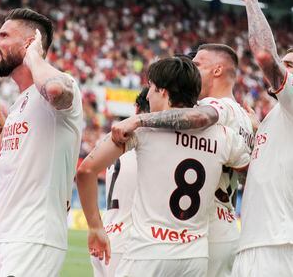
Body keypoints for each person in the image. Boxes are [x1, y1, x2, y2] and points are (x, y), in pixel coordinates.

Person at [77, 57, 250, 276]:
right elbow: (250, 174)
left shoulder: (143, 131)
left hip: (148, 252)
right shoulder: (224, 136)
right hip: (194, 256)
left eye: (151, 88)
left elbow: (86, 171)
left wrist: (95, 227)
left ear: (164, 92)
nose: (148, 95)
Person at [0, 8, 83, 277]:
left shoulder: (60, 83)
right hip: (3, 233)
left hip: (34, 235)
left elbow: (57, 91)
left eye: (3, 35)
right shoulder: (20, 102)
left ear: (28, 42)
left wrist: (33, 56)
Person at [231, 0, 293, 277]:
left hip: (277, 245)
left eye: (291, 65)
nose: (285, 67)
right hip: (257, 242)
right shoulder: (276, 118)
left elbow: (265, 56)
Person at [192, 44, 254, 277]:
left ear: (216, 71)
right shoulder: (244, 117)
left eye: (197, 64)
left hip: (205, 226)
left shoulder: (214, 107)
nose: (191, 69)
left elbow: (199, 118)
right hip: (226, 222)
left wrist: (142, 121)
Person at [90, 88, 150, 277]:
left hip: (107, 232)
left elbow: (86, 171)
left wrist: (95, 226)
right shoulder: (149, 141)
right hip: (128, 241)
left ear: (136, 108)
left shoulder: (112, 139)